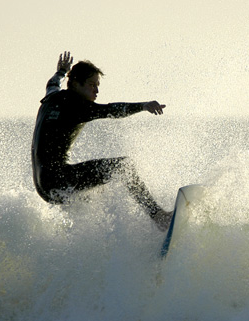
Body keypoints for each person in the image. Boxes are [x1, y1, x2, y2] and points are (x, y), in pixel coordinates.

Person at [31, 51, 172, 230]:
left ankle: (100, 241)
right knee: (123, 166)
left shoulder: (51, 97)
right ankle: (158, 216)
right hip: (59, 180)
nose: (96, 90)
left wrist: (60, 71)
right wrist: (143, 106)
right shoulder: (78, 106)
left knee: (101, 191)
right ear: (75, 83)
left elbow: (52, 83)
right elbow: (112, 110)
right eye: (92, 85)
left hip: (44, 186)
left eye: (97, 85)